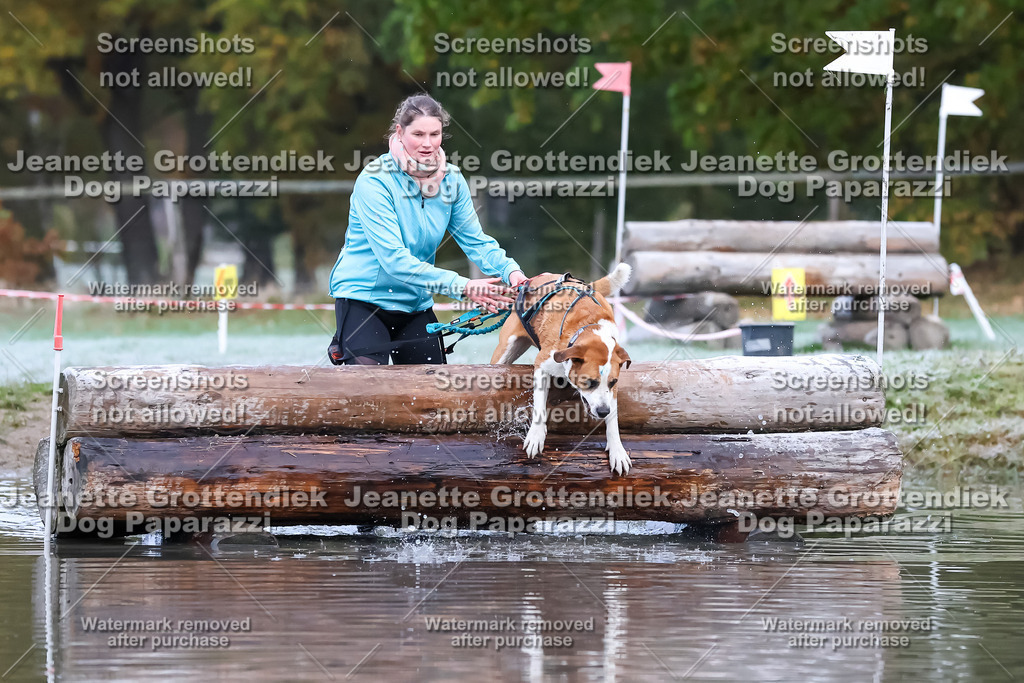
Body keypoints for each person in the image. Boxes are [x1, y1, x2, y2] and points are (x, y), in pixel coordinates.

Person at [327, 94, 529, 365]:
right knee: (367, 393)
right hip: (364, 300)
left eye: (435, 134)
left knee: (434, 398)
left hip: (415, 304)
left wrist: (513, 273)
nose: (427, 143)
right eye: (418, 133)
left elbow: (476, 242)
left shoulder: (452, 180)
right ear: (400, 132)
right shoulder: (375, 181)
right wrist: (464, 286)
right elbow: (394, 261)